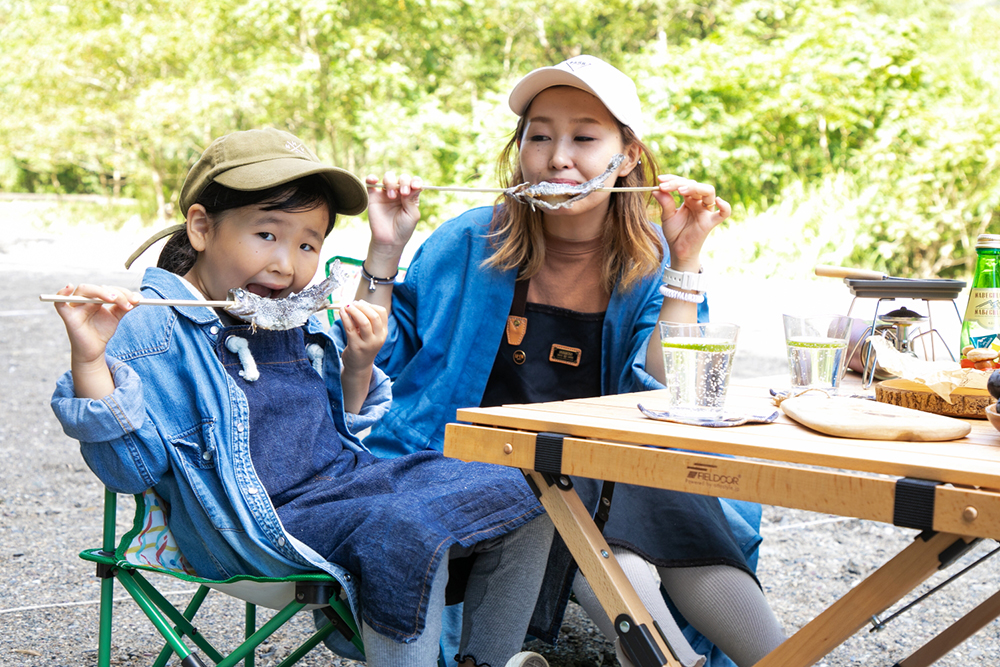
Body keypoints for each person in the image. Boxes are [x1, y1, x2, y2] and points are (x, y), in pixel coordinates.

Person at [49, 128, 554, 667]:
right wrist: (89, 361)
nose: (286, 265)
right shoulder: (152, 328)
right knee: (408, 529)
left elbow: (341, 430)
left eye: (308, 244)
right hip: (255, 524)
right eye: (267, 234)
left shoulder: (287, 315)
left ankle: (486, 659)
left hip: (345, 486)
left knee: (534, 487)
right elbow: (129, 470)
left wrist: (357, 364)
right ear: (201, 227)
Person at [348, 57, 787, 667]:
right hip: (478, 470)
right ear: (520, 151)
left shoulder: (655, 253)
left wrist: (684, 263)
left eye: (584, 137)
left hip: (609, 473)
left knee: (642, 499)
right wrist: (386, 249)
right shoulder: (468, 241)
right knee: (590, 508)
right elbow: (372, 364)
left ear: (627, 156)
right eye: (540, 137)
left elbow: (676, 391)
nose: (558, 158)